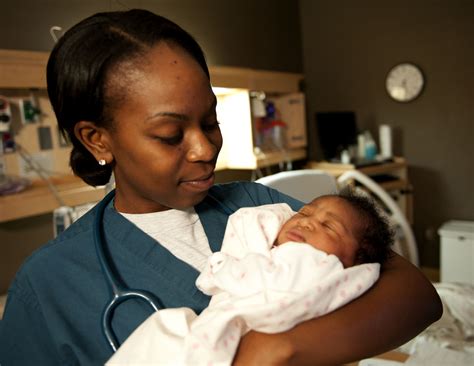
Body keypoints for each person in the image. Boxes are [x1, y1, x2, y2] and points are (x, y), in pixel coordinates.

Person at [0, 9, 441, 366]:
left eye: (211, 121)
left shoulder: (257, 205)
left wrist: (277, 351)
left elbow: (416, 295)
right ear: (98, 139)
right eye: (171, 134)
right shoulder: (50, 285)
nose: (205, 147)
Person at [106, 190, 394, 365]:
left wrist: (221, 267)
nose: (306, 221)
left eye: (328, 227)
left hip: (239, 332)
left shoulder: (316, 262)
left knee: (166, 329)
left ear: (353, 259)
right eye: (305, 212)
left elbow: (261, 280)